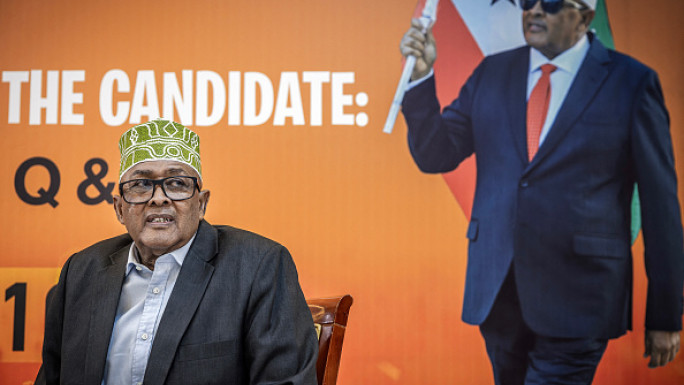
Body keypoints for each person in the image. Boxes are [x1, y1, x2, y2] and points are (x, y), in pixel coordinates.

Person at [400, 0, 683, 383]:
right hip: (499, 299)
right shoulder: (493, 73)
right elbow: (436, 153)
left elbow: (659, 205)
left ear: (583, 18)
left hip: (580, 301)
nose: (534, 11)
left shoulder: (630, 83)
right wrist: (420, 78)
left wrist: (666, 314)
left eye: (549, 3)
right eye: (527, 2)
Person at [35, 119, 318, 385]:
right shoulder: (82, 271)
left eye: (177, 183)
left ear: (202, 204)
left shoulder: (258, 266)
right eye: (141, 184)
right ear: (120, 208)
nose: (159, 198)